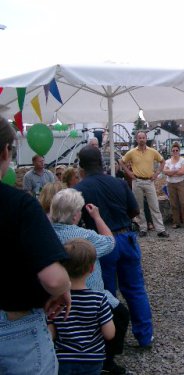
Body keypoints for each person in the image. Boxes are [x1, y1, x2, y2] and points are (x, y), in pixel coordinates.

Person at [0, 116, 71, 375]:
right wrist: (62, 286)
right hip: (14, 329)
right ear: (6, 151)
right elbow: (53, 279)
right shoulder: (20, 205)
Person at [75, 145, 154, 349]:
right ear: (101, 162)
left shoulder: (80, 189)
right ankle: (145, 337)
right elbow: (135, 209)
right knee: (135, 289)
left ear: (81, 166)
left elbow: (75, 220)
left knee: (106, 292)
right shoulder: (119, 183)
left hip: (101, 242)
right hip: (126, 237)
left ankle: (110, 341)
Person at [50, 188, 129, 374]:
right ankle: (107, 361)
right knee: (121, 315)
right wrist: (97, 217)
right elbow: (110, 242)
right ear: (76, 214)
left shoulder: (45, 233)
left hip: (54, 297)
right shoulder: (84, 238)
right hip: (89, 292)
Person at [48, 238, 116, 375]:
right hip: (92, 360)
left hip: (63, 359)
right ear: (92, 268)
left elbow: (51, 334)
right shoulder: (99, 299)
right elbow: (109, 334)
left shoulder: (56, 301)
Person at [120, 131, 168, 238]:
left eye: (143, 137)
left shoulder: (152, 151)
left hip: (149, 181)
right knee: (139, 207)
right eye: (139, 138)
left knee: (154, 205)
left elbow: (162, 161)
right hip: (137, 181)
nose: (141, 139)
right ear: (137, 140)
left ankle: (160, 229)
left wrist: (156, 174)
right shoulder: (131, 152)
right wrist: (129, 173)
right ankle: (143, 228)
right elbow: (121, 162)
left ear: (146, 139)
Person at [164, 142, 184, 229]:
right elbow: (165, 172)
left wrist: (171, 172)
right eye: (173, 150)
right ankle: (176, 222)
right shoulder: (167, 161)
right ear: (171, 151)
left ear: (179, 151)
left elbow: (183, 172)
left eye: (176, 150)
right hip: (170, 184)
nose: (175, 152)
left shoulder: (183, 160)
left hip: (181, 183)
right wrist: (177, 171)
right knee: (173, 204)